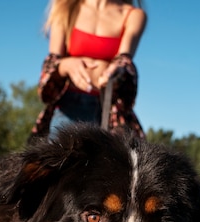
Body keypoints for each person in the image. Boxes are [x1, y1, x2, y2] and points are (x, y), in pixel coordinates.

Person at [30, 0, 147, 141]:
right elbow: (53, 61)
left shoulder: (134, 15)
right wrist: (65, 65)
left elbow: (124, 59)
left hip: (111, 112)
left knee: (116, 161)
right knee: (63, 160)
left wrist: (116, 71)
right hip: (69, 107)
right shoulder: (65, 6)